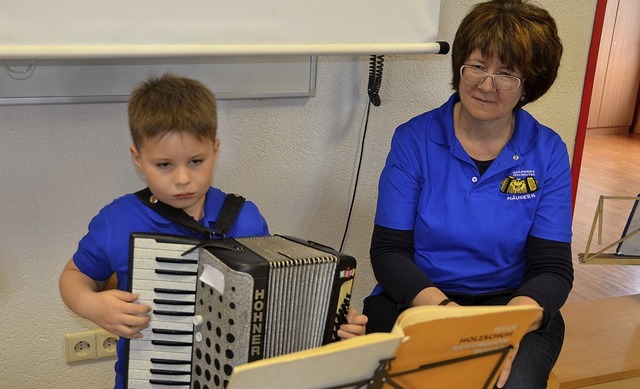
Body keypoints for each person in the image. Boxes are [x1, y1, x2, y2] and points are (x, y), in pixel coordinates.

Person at [59, 73, 367, 389]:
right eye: (164, 164)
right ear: (138, 158)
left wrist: (333, 327)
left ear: (215, 150)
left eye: (195, 161)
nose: (182, 178)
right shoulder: (119, 220)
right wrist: (92, 305)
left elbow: (277, 303)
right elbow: (74, 277)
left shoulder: (245, 220)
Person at [362, 1, 573, 388]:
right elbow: (389, 252)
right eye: (477, 66)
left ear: (530, 84)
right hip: (420, 300)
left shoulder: (548, 151)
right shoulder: (413, 139)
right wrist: (447, 316)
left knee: (514, 383)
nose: (486, 84)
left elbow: (552, 268)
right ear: (460, 65)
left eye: (506, 74)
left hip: (511, 306)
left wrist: (506, 331)